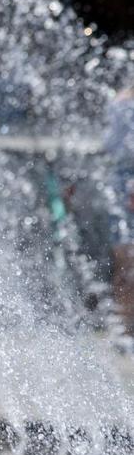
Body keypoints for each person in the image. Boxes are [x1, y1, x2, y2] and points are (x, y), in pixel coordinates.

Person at [105, 86, 134, 338]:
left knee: (124, 260)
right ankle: (125, 328)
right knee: (125, 259)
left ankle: (125, 328)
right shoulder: (123, 104)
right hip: (125, 186)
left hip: (123, 185)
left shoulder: (120, 103)